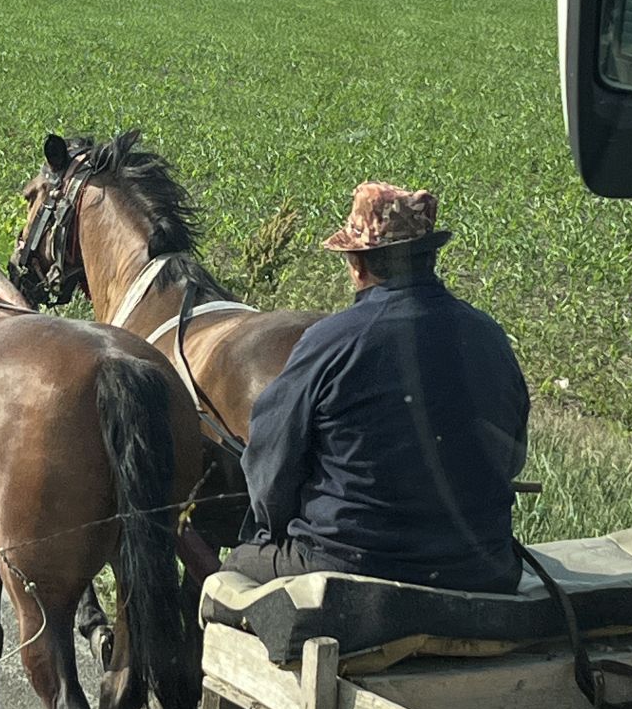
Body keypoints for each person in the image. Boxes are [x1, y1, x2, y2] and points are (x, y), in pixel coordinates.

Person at [222, 181, 529, 594]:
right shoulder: (489, 336)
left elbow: (271, 466)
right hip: (483, 567)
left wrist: (273, 529)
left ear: (358, 264)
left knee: (233, 569)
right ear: (429, 258)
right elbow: (511, 454)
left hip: (349, 564)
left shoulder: (330, 341)